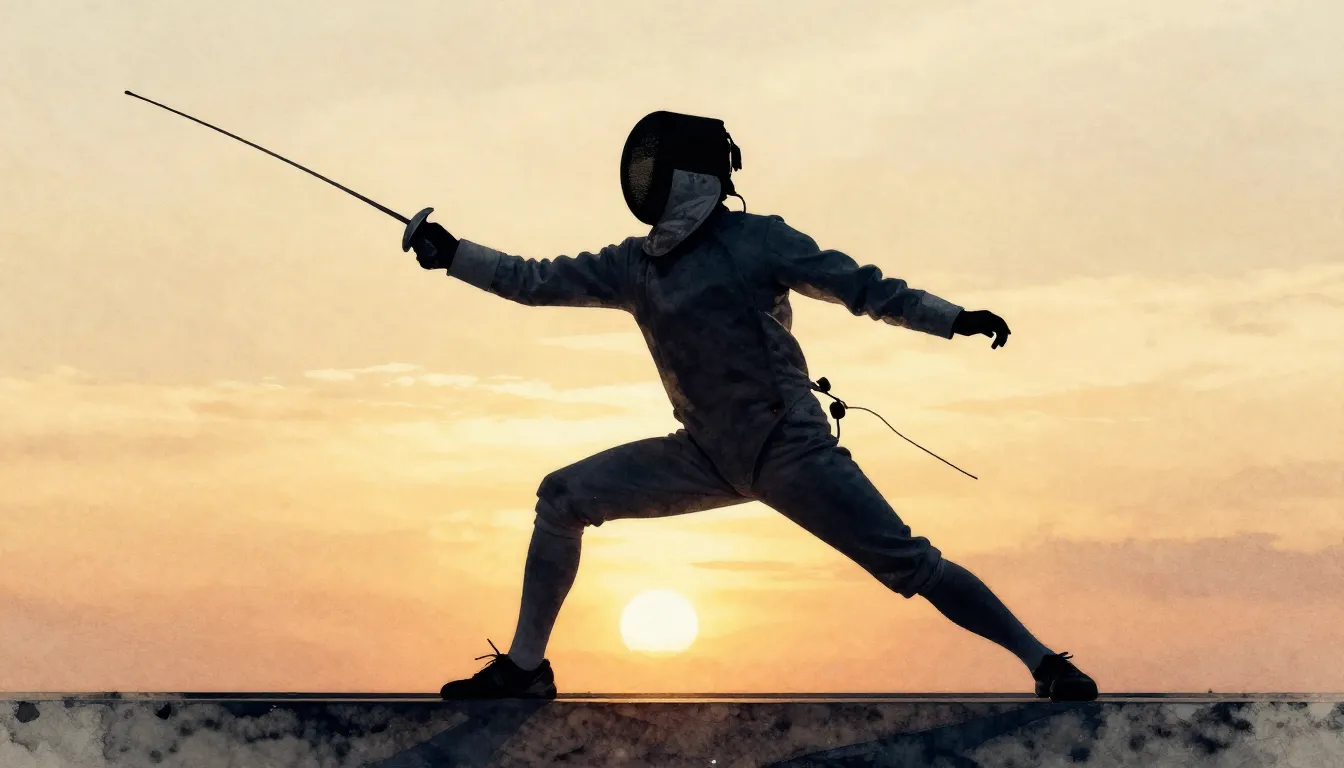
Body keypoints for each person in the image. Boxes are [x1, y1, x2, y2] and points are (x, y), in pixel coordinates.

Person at [406, 111, 1097, 703]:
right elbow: (532, 280)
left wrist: (952, 318)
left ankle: (1044, 663)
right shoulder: (633, 264)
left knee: (909, 565)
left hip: (788, 447)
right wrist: (453, 254)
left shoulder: (757, 240)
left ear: (689, 176)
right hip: (704, 453)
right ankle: (527, 670)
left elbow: (861, 287)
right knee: (563, 497)